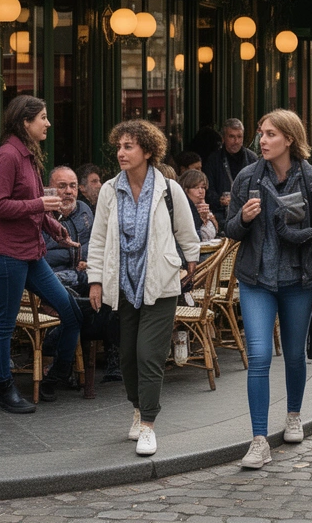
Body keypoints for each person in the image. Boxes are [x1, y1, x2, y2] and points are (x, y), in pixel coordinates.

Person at [224, 109, 312, 469]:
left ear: (289, 138)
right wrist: (243, 218)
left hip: (299, 281)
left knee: (292, 354)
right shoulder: (247, 178)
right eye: (261, 133)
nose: (263, 140)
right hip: (256, 280)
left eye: (270, 134)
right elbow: (231, 230)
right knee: (258, 356)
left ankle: (293, 415)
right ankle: (259, 440)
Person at [86, 120, 199, 457]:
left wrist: (189, 263)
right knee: (128, 356)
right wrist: (95, 280)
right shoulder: (109, 190)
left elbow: (186, 230)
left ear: (148, 151)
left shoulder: (169, 189)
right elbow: (99, 239)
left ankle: (148, 424)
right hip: (122, 284)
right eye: (119, 146)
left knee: (149, 354)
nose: (121, 152)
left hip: (161, 283)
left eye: (129, 146)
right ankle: (137, 407)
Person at [0, 96, 82, 414]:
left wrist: (55, 229)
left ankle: (55, 378)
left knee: (70, 313)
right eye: (42, 117)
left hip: (31, 252)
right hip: (7, 253)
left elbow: (36, 205)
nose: (48, 123)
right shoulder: (7, 156)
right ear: (24, 122)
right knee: (4, 325)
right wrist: (40, 206)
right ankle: (4, 388)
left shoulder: (29, 157)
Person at [42, 166, 94, 289]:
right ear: (48, 190)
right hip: (51, 280)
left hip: (83, 279)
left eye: (73, 186)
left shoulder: (84, 211)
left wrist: (86, 261)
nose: (69, 191)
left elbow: (95, 245)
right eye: (62, 186)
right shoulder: (40, 216)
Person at [205, 119, 259, 222]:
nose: (236, 141)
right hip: (221, 215)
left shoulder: (252, 158)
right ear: (223, 138)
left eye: (239, 137)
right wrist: (220, 200)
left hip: (248, 215)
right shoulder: (214, 159)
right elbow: (208, 190)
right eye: (232, 137)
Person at [179, 169, 219, 241]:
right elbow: (200, 236)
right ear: (186, 189)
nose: (201, 191)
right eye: (196, 187)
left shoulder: (202, 206)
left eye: (203, 187)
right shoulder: (182, 210)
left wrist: (210, 217)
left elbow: (214, 232)